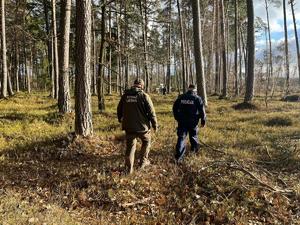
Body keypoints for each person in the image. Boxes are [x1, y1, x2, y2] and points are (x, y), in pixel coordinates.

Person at [117, 79, 158, 174]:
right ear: (142, 86)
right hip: (143, 128)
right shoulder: (144, 96)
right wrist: (155, 124)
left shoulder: (125, 95)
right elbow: (151, 112)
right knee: (146, 141)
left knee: (130, 147)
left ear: (133, 85)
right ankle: (143, 162)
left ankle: (128, 170)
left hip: (129, 127)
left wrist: (120, 119)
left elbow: (119, 109)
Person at [172, 84, 206, 162]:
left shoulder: (181, 97)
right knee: (193, 137)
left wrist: (177, 118)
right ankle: (194, 153)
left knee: (181, 138)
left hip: (182, 122)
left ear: (188, 89)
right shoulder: (197, 98)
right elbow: (202, 111)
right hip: (193, 122)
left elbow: (174, 108)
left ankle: (179, 158)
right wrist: (203, 121)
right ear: (195, 89)